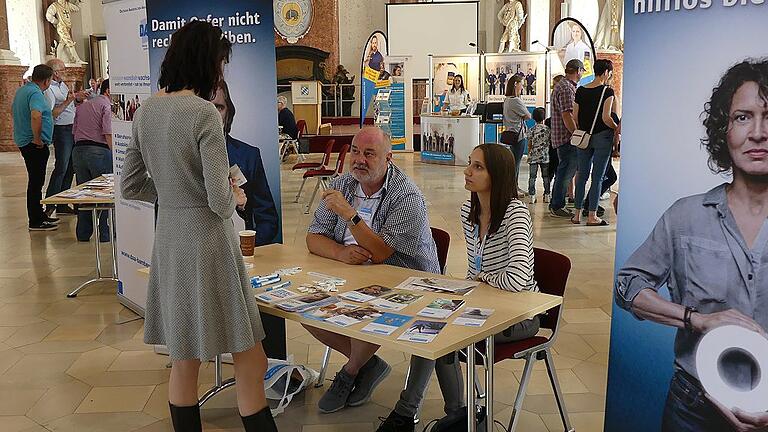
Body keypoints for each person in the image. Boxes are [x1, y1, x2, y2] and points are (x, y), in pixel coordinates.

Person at [120, 21, 277, 431]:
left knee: (184, 358)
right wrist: (229, 190)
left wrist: (173, 197)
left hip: (170, 240)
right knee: (251, 358)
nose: (220, 71)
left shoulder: (146, 111)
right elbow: (219, 202)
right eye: (220, 62)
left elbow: (131, 184)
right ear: (207, 62)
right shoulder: (204, 113)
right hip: (209, 245)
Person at [615, 59, 768, 432]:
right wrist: (695, 318)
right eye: (743, 117)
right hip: (693, 407)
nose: (759, 132)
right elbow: (628, 287)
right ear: (724, 130)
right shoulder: (686, 216)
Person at [382, 144, 542, 431]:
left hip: (519, 314)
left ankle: (421, 414)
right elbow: (475, 269)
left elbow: (518, 280)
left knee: (442, 335)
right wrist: (471, 286)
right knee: (428, 326)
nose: (467, 171)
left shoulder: (515, 214)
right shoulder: (470, 209)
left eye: (478, 167)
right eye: (470, 163)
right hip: (483, 303)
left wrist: (480, 281)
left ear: (499, 174)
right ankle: (455, 416)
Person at [305, 127, 440, 417]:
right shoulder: (344, 184)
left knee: (369, 310)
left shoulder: (406, 196)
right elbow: (313, 236)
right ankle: (369, 365)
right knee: (305, 309)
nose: (359, 160)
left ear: (388, 158)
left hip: (405, 280)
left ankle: (350, 371)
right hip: (354, 274)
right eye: (355, 151)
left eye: (369, 154)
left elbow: (381, 254)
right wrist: (340, 252)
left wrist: (349, 215)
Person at [571, 59, 619, 226]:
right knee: (597, 177)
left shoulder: (580, 90)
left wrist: (583, 127)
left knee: (581, 175)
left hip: (583, 136)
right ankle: (592, 216)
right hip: (602, 137)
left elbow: (575, 117)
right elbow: (606, 118)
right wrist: (616, 127)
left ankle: (576, 214)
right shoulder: (607, 91)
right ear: (606, 72)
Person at [12, 64, 57, 231]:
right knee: (36, 182)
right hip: (33, 144)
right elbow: (36, 115)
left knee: (36, 181)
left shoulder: (23, 90)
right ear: (46, 81)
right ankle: (36, 220)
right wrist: (38, 139)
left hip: (25, 141)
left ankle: (39, 215)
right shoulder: (35, 93)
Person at [72, 78, 113, 242]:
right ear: (108, 91)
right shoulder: (106, 105)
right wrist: (116, 153)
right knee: (104, 193)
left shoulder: (83, 106)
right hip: (98, 151)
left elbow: (74, 131)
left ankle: (83, 233)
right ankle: (105, 233)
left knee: (84, 193)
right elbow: (108, 132)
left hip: (79, 151)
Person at [44, 58, 83, 216]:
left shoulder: (62, 85)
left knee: (71, 167)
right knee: (62, 166)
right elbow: (52, 113)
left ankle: (62, 201)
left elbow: (70, 104)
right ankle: (51, 202)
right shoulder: (49, 90)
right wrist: (69, 100)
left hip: (72, 127)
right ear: (55, 73)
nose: (65, 73)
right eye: (63, 70)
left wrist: (77, 99)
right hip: (61, 130)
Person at [549, 59, 584, 218]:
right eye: (582, 70)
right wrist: (577, 134)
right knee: (565, 173)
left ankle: (556, 203)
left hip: (562, 137)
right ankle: (557, 205)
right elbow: (567, 115)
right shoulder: (566, 88)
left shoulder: (563, 86)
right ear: (578, 71)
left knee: (564, 172)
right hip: (567, 138)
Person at [501, 75, 531, 195]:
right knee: (516, 163)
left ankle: (514, 187)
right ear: (516, 84)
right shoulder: (515, 101)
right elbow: (528, 116)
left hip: (510, 133)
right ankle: (513, 188)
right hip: (518, 135)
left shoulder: (507, 100)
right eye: (521, 84)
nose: (522, 86)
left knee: (513, 162)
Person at [528, 107, 551, 204]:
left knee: (532, 177)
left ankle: (532, 196)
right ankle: (547, 195)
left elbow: (529, 143)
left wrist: (529, 153)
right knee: (545, 176)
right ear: (544, 117)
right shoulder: (547, 129)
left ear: (533, 117)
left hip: (533, 156)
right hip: (545, 156)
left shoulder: (532, 129)